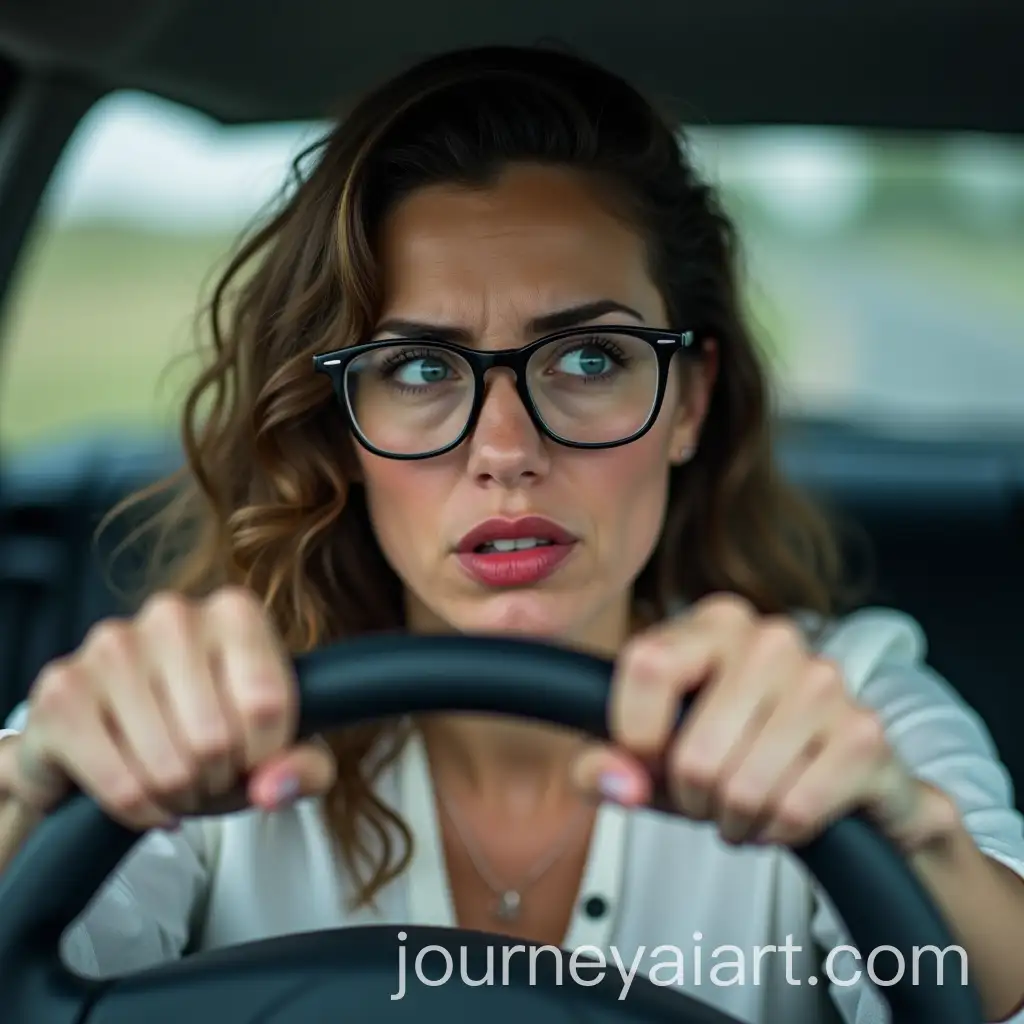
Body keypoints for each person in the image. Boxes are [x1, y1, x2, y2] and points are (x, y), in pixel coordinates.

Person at [0, 44, 1022, 1024]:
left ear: (687, 402)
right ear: (340, 432)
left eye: (586, 360)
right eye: (417, 369)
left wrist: (900, 837)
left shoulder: (843, 705)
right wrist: (36, 794)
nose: (506, 448)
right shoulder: (206, 731)